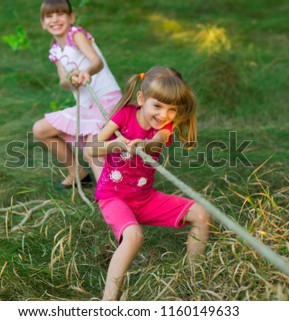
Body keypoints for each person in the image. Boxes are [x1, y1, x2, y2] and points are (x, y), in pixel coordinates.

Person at [85, 66, 211, 300]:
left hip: (144, 198)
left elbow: (156, 143)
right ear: (141, 99)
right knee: (134, 236)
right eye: (158, 106)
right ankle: (107, 303)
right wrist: (116, 145)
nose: (164, 114)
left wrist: (141, 145)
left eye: (172, 109)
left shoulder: (164, 128)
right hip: (113, 197)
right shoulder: (123, 116)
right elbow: (91, 150)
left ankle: (193, 278)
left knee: (201, 215)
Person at [32, 0, 122, 189]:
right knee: (40, 129)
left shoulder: (76, 35)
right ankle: (77, 173)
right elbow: (63, 81)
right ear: (43, 23)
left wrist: (87, 72)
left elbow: (97, 62)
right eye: (49, 16)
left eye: (60, 14)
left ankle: (109, 193)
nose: (55, 19)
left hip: (105, 99)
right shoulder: (55, 50)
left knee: (92, 148)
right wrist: (70, 80)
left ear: (71, 18)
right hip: (85, 105)